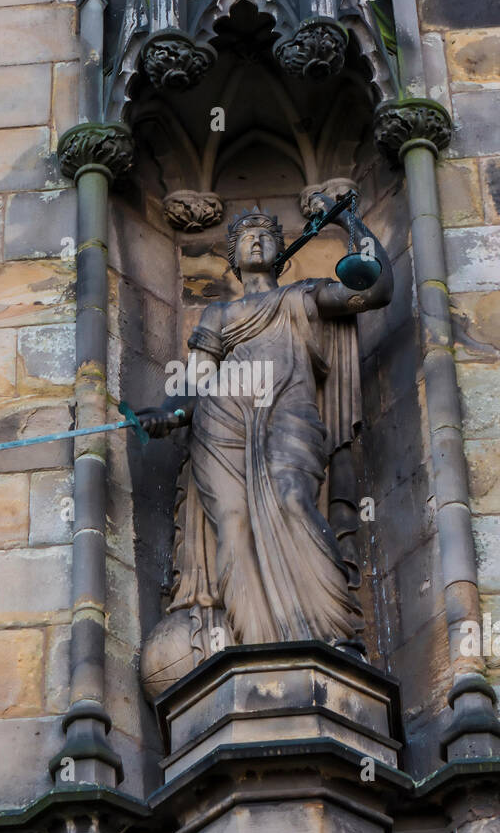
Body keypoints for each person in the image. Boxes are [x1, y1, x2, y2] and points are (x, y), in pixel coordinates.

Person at [138, 196, 392, 693]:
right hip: (221, 423)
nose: (256, 239)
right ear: (232, 257)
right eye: (245, 237)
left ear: (282, 252)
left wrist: (347, 221)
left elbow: (377, 288)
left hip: (287, 409)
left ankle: (331, 638)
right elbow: (194, 386)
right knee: (232, 530)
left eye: (266, 234)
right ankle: (254, 652)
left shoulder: (302, 296)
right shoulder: (219, 313)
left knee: (294, 501)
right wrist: (167, 415)